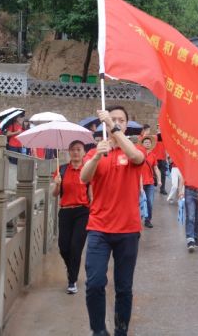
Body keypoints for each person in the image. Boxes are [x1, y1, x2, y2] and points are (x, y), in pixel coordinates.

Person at [80, 106, 145, 336]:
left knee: (124, 287)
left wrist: (112, 126)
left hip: (128, 229)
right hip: (99, 228)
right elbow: (84, 177)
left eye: (121, 120)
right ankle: (99, 330)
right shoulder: (97, 151)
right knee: (95, 283)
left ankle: (121, 330)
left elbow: (136, 157)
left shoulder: (135, 149)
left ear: (126, 125)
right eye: (112, 118)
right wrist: (97, 155)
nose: (116, 122)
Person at [52, 140, 90, 295]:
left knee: (75, 247)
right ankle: (71, 268)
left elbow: (92, 193)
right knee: (63, 247)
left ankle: (72, 280)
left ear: (84, 152)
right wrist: (57, 184)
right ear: (69, 151)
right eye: (73, 149)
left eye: (79, 149)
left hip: (83, 212)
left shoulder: (87, 170)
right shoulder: (61, 169)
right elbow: (54, 194)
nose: (75, 152)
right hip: (65, 212)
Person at [140, 135, 160, 228]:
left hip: (150, 183)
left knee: (150, 202)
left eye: (149, 142)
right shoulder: (139, 155)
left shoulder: (153, 155)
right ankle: (137, 220)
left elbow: (156, 168)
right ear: (142, 144)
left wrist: (159, 180)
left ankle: (148, 220)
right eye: (145, 142)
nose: (147, 144)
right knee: (138, 203)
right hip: (139, 183)